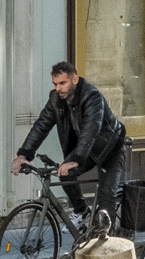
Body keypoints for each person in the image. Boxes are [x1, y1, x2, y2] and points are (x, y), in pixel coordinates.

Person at [12, 61, 126, 229]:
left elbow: (91, 130)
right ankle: (81, 211)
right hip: (86, 150)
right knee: (64, 172)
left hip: (109, 149)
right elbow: (41, 126)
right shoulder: (56, 99)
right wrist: (23, 154)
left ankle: (107, 245)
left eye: (62, 83)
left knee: (105, 200)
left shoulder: (92, 97)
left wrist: (76, 158)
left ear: (75, 79)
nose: (58, 88)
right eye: (55, 84)